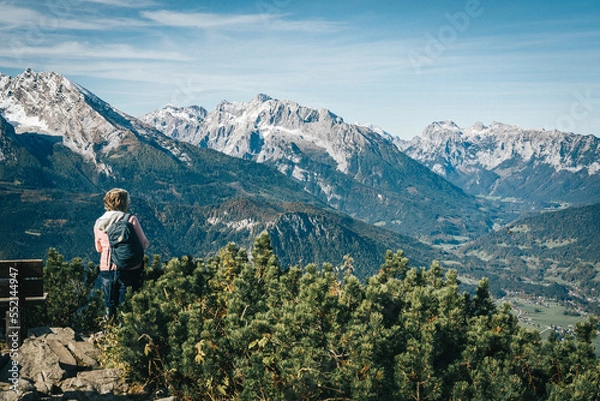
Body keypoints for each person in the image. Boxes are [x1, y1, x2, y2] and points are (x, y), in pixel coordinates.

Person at [94, 188, 149, 320]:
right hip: (128, 267)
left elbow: (98, 248)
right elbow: (144, 244)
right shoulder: (130, 219)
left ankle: (107, 333)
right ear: (124, 202)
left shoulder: (99, 223)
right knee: (127, 306)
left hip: (107, 268)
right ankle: (124, 336)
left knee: (109, 304)